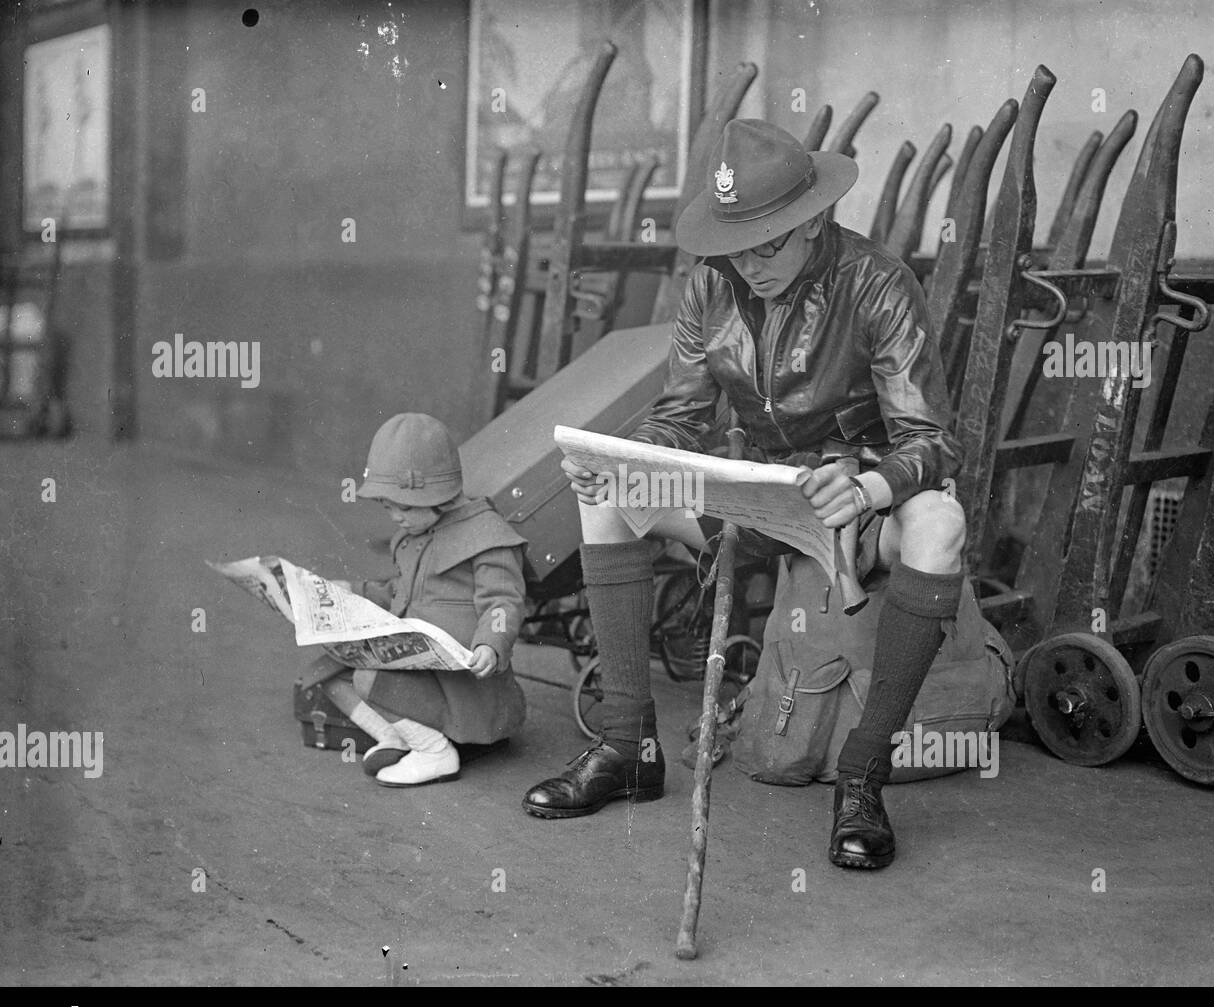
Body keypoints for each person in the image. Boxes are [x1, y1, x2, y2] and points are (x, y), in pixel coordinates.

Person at [521, 119, 966, 870]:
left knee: (940, 520)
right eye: (734, 246)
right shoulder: (709, 287)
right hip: (752, 498)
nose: (749, 266)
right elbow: (683, 414)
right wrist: (626, 461)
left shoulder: (878, 282)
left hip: (851, 507)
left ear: (815, 221)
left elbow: (933, 439)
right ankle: (628, 746)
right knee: (607, 496)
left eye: (768, 244)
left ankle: (861, 776)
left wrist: (867, 487)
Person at [314, 412, 529, 787]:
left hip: (464, 686)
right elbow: (401, 591)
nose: (396, 517)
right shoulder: (415, 534)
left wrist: (490, 645)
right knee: (328, 674)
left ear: (441, 498)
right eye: (387, 506)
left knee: (369, 679)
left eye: (405, 507)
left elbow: (502, 603)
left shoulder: (488, 537)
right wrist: (349, 592)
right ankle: (397, 736)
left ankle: (434, 752)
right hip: (421, 667)